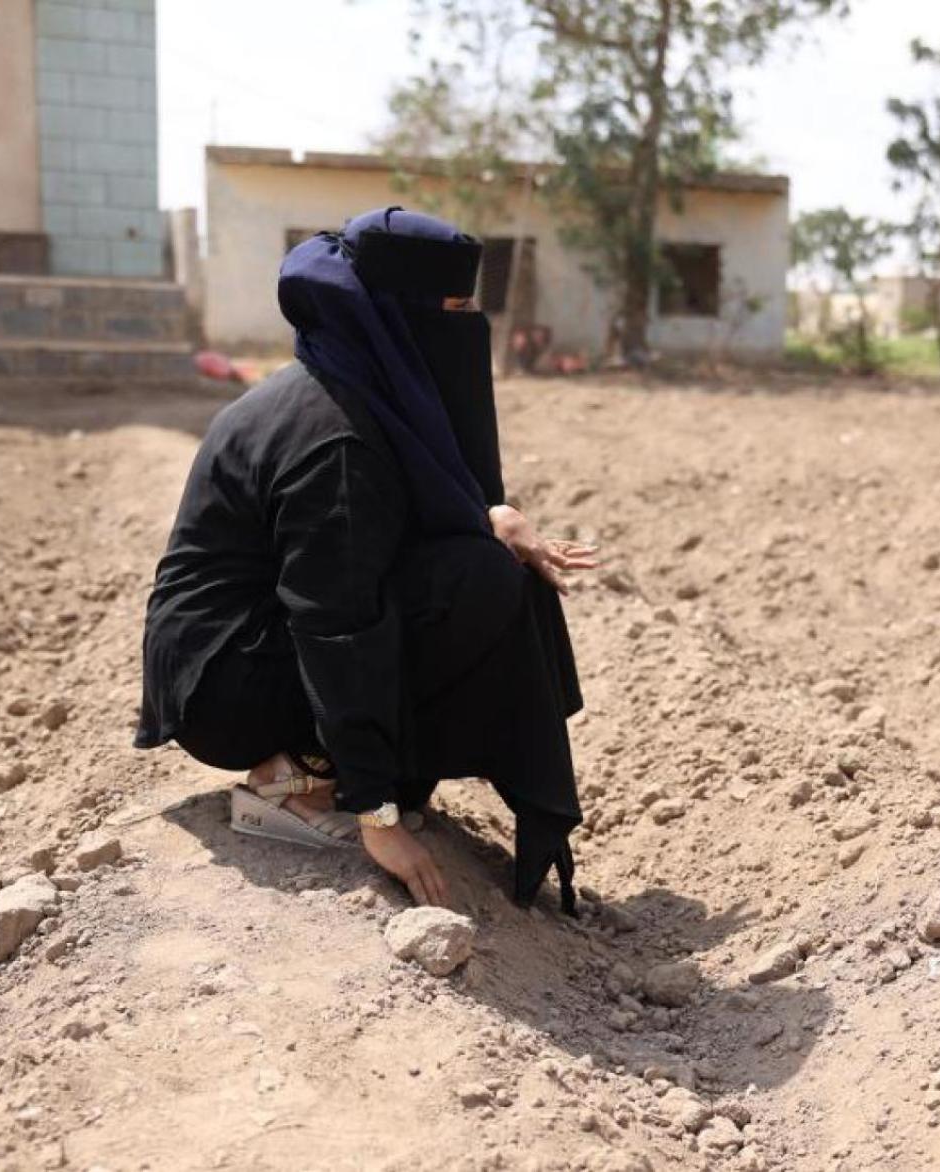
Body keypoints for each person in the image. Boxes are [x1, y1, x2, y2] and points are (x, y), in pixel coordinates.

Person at [134, 207, 598, 912]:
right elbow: (337, 629)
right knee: (475, 583)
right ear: (399, 317)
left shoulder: (348, 384)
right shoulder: (337, 439)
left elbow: (391, 525)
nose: (467, 328)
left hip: (250, 645)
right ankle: (296, 781)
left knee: (486, 562)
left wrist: (491, 515)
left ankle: (342, 768)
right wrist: (377, 814)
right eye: (454, 310)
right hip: (225, 687)